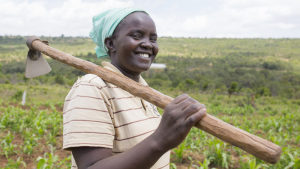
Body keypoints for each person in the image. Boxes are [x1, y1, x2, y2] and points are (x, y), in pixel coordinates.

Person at [63, 7, 207, 169]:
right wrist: (160, 140)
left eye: (153, 39)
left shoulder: (146, 92)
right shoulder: (93, 88)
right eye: (136, 36)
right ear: (111, 44)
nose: (147, 44)